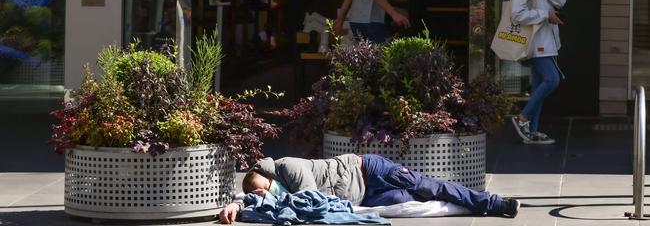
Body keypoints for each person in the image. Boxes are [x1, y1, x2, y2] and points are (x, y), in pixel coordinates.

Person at [218, 154, 520, 223]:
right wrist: (240, 204)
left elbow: (309, 199)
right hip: (367, 196)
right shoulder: (270, 187)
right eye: (263, 195)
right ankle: (476, 206)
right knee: (417, 202)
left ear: (266, 174)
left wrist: (262, 202)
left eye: (267, 189)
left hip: (370, 169)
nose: (270, 195)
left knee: (430, 188)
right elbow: (255, 197)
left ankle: (495, 203)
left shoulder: (287, 167)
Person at [509, 0, 567, 145]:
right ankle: (522, 118)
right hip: (535, 43)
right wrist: (545, 15)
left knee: (538, 87)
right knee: (552, 80)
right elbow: (517, 15)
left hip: (550, 43)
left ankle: (532, 131)